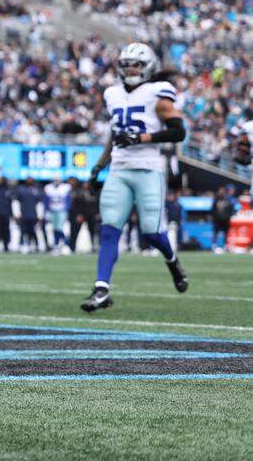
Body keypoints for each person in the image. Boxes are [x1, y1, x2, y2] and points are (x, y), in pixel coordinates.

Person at [82, 43, 188, 312]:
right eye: (126, 63)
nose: (130, 69)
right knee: (109, 229)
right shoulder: (112, 94)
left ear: (148, 67)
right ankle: (101, 289)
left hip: (148, 168)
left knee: (151, 233)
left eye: (137, 64)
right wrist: (98, 167)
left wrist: (141, 138)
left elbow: (178, 132)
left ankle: (172, 261)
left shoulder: (157, 91)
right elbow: (114, 134)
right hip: (119, 169)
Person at [68, 177, 100, 252]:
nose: (86, 184)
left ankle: (93, 246)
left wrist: (97, 213)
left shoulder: (93, 192)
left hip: (91, 215)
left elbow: (96, 204)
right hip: (81, 215)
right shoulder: (78, 192)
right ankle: (72, 248)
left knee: (93, 231)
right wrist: (79, 214)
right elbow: (77, 205)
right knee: (75, 231)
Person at [211, 186, 235, 253]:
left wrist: (229, 216)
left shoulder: (228, 200)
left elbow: (231, 209)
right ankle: (214, 245)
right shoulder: (216, 199)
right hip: (217, 220)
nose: (222, 192)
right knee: (216, 233)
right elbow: (212, 210)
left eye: (223, 191)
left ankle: (225, 246)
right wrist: (214, 218)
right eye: (220, 191)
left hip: (226, 220)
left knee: (226, 233)